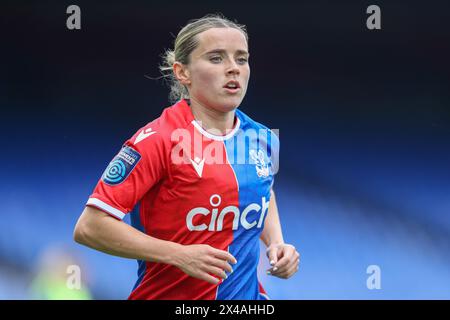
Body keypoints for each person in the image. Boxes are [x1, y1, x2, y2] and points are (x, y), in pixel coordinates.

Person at [74, 13, 300, 300]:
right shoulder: (157, 139)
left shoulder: (262, 137)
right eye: (216, 58)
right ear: (183, 72)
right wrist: (178, 254)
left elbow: (263, 188)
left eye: (241, 59)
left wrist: (276, 243)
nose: (233, 69)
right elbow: (90, 226)